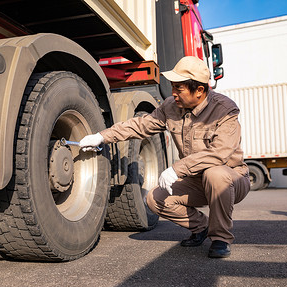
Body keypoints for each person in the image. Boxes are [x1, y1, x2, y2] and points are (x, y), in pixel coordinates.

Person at [79, 56, 250, 258]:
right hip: (196, 181)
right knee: (155, 199)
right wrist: (102, 136)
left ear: (200, 91)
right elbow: (140, 125)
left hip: (231, 179)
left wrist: (177, 169)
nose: (173, 93)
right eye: (172, 87)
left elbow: (219, 153)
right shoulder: (171, 106)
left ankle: (220, 237)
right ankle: (201, 227)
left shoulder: (224, 110)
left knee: (215, 174)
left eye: (179, 88)